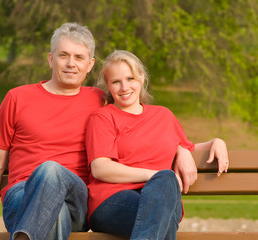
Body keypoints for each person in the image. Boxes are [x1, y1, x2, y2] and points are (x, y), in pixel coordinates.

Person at [0, 23, 198, 240]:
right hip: (23, 194)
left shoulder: (101, 100)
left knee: (52, 171)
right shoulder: (18, 98)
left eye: (79, 57)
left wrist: (182, 149)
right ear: (50, 59)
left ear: (89, 65)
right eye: (63, 55)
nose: (71, 64)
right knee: (51, 188)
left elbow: (139, 123)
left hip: (76, 198)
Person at [85, 50, 229, 240]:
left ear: (142, 78)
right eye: (116, 82)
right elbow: (100, 168)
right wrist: (153, 175)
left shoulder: (163, 116)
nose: (124, 87)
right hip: (112, 201)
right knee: (164, 200)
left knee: (164, 191)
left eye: (130, 78)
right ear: (108, 86)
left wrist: (216, 142)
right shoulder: (103, 118)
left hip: (162, 199)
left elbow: (189, 147)